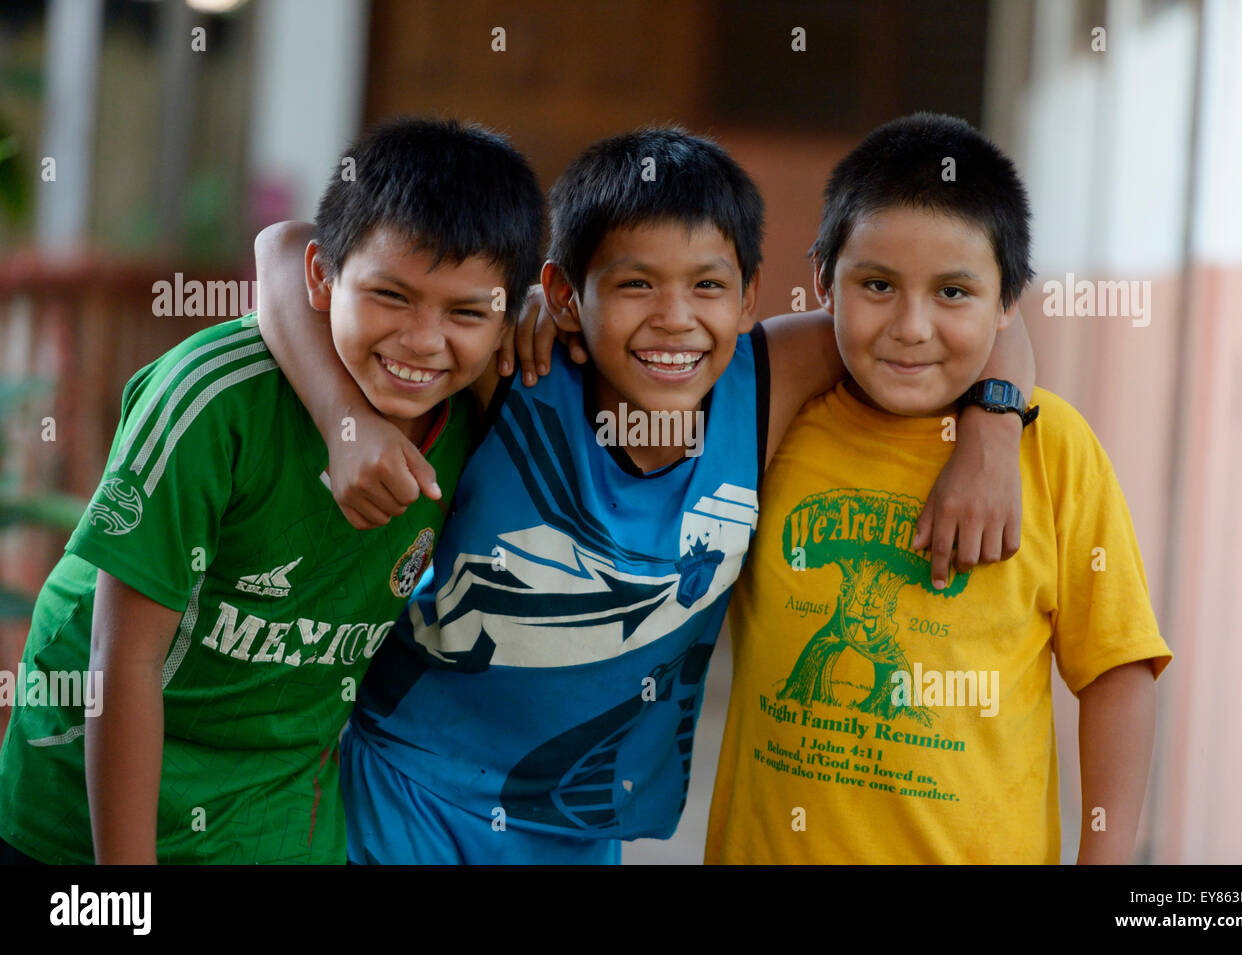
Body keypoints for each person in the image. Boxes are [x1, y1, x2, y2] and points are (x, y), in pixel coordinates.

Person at [254, 125, 1035, 864]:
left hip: (584, 820)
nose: (674, 319)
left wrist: (994, 429)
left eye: (706, 285)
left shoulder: (764, 382)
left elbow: (989, 309)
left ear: (749, 295)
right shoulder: (516, 370)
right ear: (563, 294)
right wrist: (344, 421)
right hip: (408, 793)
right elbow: (284, 248)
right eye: (634, 284)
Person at [0, 117, 544, 864]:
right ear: (324, 279)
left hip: (276, 811)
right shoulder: (212, 399)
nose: (423, 340)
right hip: (84, 809)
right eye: (391, 296)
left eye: (465, 313)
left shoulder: (482, 411)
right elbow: (119, 657)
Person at [704, 113, 1172, 865]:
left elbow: (1117, 669)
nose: (911, 326)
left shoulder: (1054, 451)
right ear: (824, 277)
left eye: (953, 292)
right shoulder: (778, 422)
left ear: (1008, 298)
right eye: (878, 285)